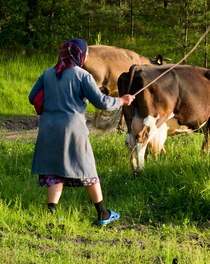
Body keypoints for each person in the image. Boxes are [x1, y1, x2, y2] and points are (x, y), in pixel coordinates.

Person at [28, 39, 135, 225]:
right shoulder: (83, 76)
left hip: (48, 129)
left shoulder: (47, 74)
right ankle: (103, 214)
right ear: (80, 55)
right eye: (85, 53)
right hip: (73, 130)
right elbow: (102, 102)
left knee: (54, 172)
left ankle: (51, 215)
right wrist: (122, 101)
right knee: (87, 170)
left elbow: (32, 97)